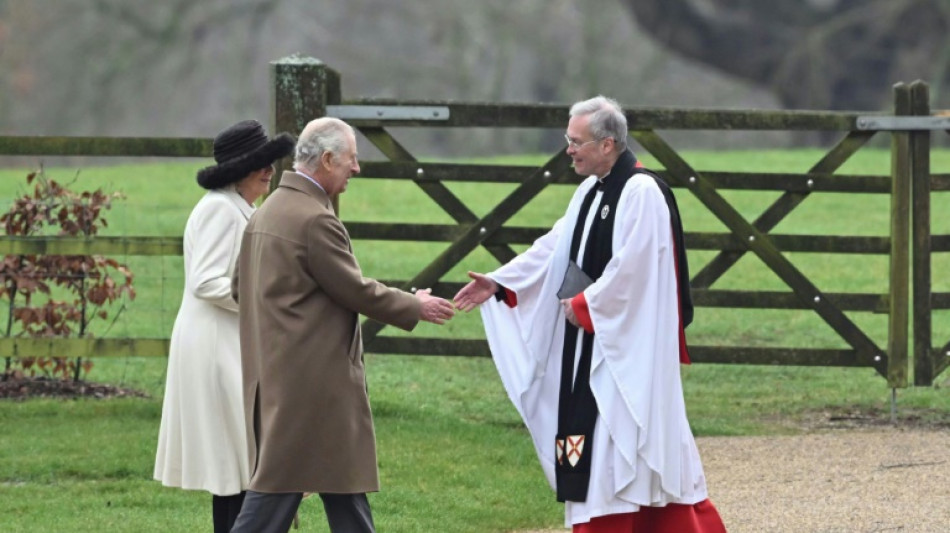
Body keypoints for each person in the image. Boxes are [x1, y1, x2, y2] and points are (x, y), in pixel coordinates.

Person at [453, 96, 727, 532]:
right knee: (604, 460)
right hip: (591, 351)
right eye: (568, 140)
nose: (569, 150)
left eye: (576, 141)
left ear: (607, 144)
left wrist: (585, 306)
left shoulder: (642, 193)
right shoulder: (589, 191)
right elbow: (555, 250)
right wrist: (501, 282)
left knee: (631, 454)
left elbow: (636, 270)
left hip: (625, 357)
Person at [229, 116, 456, 533]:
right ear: (329, 159)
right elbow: (354, 289)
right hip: (312, 384)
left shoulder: (266, 213)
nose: (357, 168)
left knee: (342, 485)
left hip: (280, 375)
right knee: (276, 495)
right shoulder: (315, 219)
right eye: (352, 159)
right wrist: (414, 305)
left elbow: (239, 288)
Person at [154, 119, 295, 533]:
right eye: (260, 164)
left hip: (228, 339)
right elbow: (206, 281)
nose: (269, 170)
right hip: (215, 346)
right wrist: (263, 304)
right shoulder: (219, 208)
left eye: (270, 162)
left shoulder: (238, 207)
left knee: (239, 462)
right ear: (239, 170)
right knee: (234, 462)